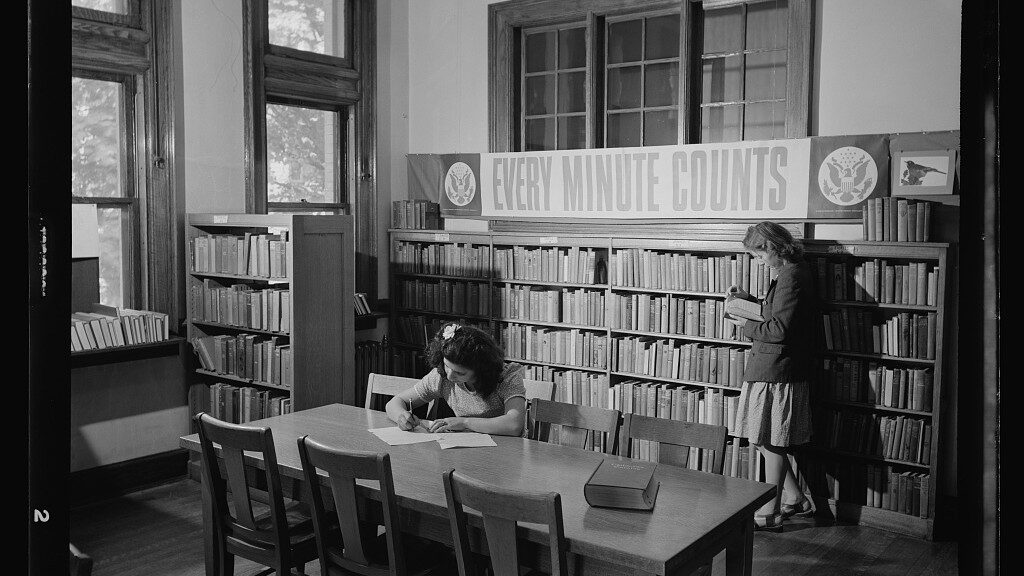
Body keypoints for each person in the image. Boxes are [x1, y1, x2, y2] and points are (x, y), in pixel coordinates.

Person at [726, 221, 819, 531]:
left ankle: (771, 511)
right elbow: (776, 313)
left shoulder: (792, 276)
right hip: (772, 368)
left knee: (770, 440)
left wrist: (745, 325)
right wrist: (748, 301)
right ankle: (795, 498)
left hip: (778, 370)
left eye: (759, 255)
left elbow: (778, 330)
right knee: (766, 438)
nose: (759, 261)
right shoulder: (790, 272)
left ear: (773, 248)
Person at [385, 323, 527, 437]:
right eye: (447, 366)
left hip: (508, 450)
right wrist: (401, 417)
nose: (450, 376)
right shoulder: (441, 375)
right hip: (466, 450)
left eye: (460, 373)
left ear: (481, 370)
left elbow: (514, 425)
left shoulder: (507, 376)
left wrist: (465, 423)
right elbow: (395, 403)